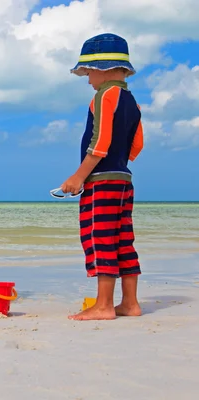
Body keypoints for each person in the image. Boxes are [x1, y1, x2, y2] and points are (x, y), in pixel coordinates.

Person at [61, 33, 144, 321]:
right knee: (123, 240)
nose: (88, 79)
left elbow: (100, 143)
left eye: (89, 72)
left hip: (103, 181)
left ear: (104, 68)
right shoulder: (133, 102)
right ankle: (130, 303)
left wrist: (79, 177)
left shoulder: (104, 96)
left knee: (101, 238)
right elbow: (136, 146)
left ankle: (104, 305)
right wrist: (119, 162)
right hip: (123, 179)